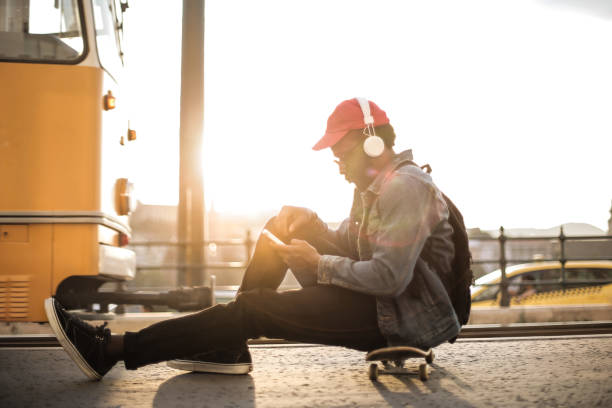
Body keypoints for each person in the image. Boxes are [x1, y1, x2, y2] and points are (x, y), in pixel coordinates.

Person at [45, 97, 462, 381]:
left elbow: (389, 277)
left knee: (254, 309)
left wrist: (317, 265)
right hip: (381, 298)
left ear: (373, 143)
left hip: (397, 316)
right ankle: (228, 346)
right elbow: (357, 245)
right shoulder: (373, 187)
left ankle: (113, 350)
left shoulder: (405, 187)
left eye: (341, 151)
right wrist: (311, 224)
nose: (336, 162)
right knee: (283, 223)